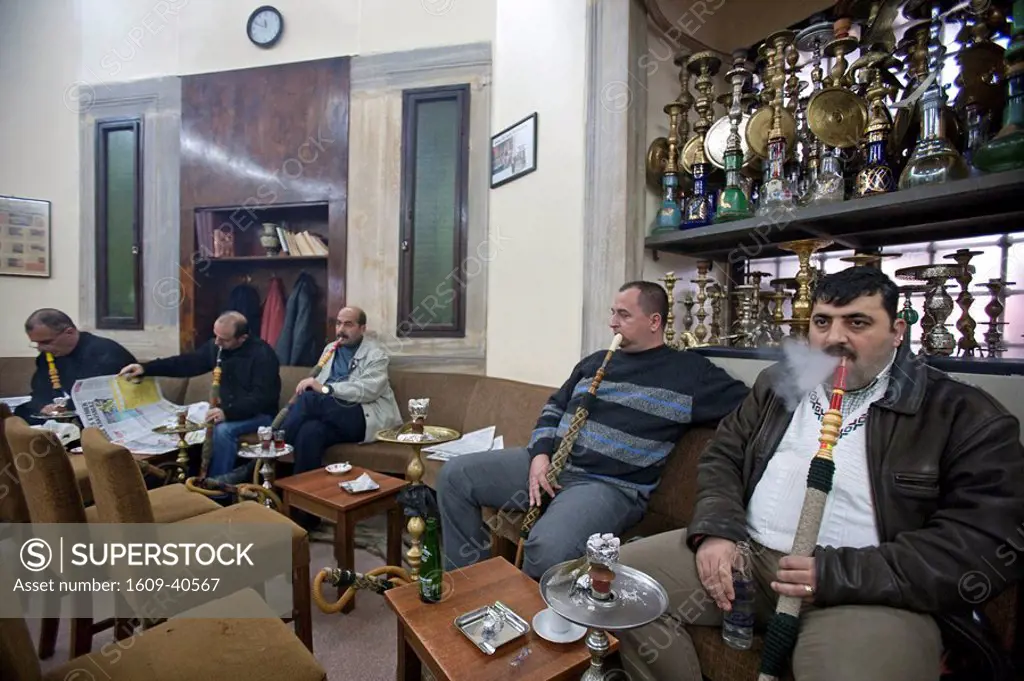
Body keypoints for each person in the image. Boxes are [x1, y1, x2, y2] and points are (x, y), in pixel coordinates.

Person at [616, 266, 1024, 681]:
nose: (834, 339)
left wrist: (834, 573)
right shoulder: (779, 384)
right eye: (823, 322)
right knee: (613, 584)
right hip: (749, 559)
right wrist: (717, 529)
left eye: (858, 323)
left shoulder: (960, 413)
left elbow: (984, 544)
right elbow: (723, 455)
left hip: (867, 591)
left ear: (898, 331)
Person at [436, 281, 750, 580]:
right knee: (455, 476)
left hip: (606, 486)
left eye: (623, 315)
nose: (613, 323)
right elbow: (553, 408)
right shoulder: (596, 361)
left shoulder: (689, 373)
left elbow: (753, 405)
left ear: (655, 322)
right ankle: (469, 585)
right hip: (551, 467)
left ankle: (531, 627)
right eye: (612, 313)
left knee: (547, 549)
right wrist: (540, 455)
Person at [119, 311, 281, 478]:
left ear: (242, 338)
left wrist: (227, 413)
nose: (217, 342)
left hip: (260, 415)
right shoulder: (216, 347)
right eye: (215, 336)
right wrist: (146, 368)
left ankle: (217, 487)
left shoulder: (263, 355)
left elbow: (262, 398)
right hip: (226, 411)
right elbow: (186, 363)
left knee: (223, 431)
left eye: (224, 339)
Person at [280, 305, 402, 479]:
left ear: (362, 329)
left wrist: (325, 389)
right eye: (338, 324)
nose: (341, 330)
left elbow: (368, 390)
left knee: (309, 400)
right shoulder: (330, 349)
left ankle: (273, 447)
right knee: (310, 432)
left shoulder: (376, 354)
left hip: (362, 415)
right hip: (333, 414)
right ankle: (304, 498)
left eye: (348, 325)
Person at [15, 309, 136, 425]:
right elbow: (40, 390)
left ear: (69, 332)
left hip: (111, 412)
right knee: (21, 413)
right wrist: (43, 406)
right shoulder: (47, 356)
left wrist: (65, 407)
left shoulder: (104, 351)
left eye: (46, 342)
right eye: (36, 343)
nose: (41, 348)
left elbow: (97, 396)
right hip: (63, 410)